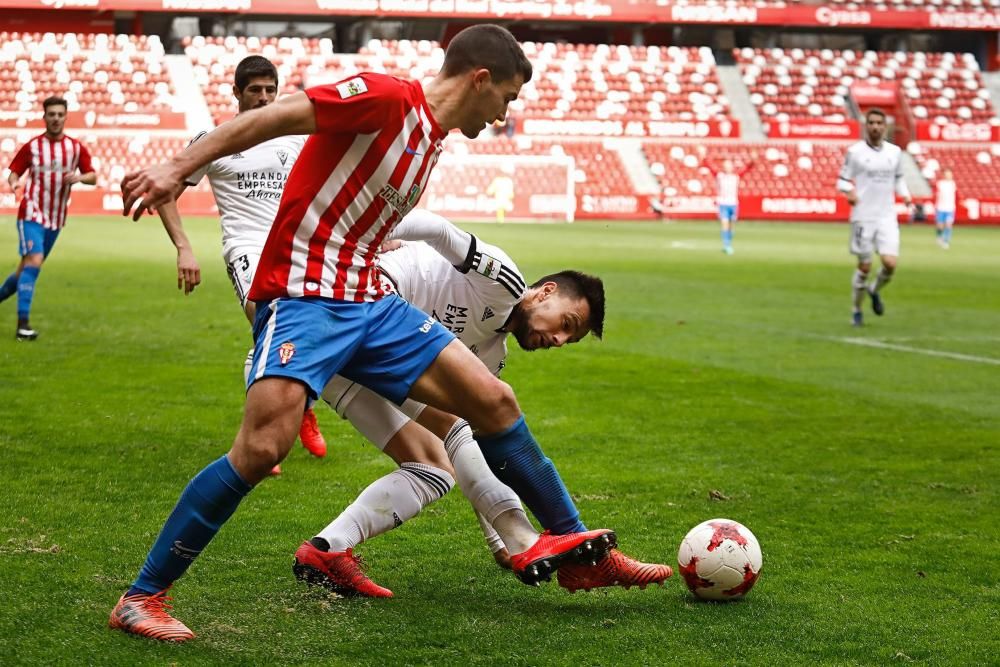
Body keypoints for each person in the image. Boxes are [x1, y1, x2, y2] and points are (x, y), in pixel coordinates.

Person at [111, 24, 616, 643]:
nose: (506, 113)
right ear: (480, 79)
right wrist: (177, 167)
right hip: (305, 294)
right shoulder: (387, 98)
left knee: (493, 399)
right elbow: (280, 117)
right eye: (507, 98)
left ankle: (573, 543)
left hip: (370, 300)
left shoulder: (429, 139)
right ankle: (141, 598)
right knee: (262, 450)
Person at [293, 209, 672, 597]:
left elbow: (481, 448)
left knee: (434, 467)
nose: (559, 340)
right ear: (546, 292)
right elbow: (438, 230)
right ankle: (543, 544)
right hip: (363, 302)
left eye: (567, 340)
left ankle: (328, 548)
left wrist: (496, 543)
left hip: (347, 362)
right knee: (461, 422)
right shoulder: (504, 282)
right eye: (566, 324)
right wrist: (372, 238)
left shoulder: (491, 356)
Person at [155, 56, 326, 473]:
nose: (264, 97)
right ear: (236, 93)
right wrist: (184, 248)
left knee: (310, 329)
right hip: (246, 248)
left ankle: (298, 405)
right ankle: (262, 440)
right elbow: (164, 191)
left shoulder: (295, 135)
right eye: (255, 90)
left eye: (270, 90)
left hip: (294, 247)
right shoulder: (213, 139)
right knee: (269, 324)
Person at [0, 96, 95, 340]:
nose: (55, 118)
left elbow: (92, 176)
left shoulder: (75, 148)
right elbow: (13, 172)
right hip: (31, 213)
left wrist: (80, 178)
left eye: (59, 114)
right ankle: (23, 325)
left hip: (55, 219)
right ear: (44, 117)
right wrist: (14, 183)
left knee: (25, 271)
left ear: (65, 117)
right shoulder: (32, 146)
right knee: (35, 260)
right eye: (51, 114)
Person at [836, 108, 912, 327]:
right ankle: (856, 310)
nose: (876, 127)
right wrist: (848, 192)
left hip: (887, 216)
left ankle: (873, 290)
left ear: (885, 126)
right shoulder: (855, 152)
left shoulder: (895, 152)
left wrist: (905, 195)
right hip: (863, 217)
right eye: (872, 123)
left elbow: (898, 178)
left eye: (880, 123)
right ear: (866, 126)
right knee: (865, 267)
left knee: (890, 263)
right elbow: (842, 180)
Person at [699, 146, 754, 255]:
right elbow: (708, 166)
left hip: (733, 204)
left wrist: (753, 158)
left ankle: (729, 242)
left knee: (731, 225)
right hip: (723, 204)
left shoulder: (736, 176)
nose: (728, 167)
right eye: (726, 166)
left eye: (729, 166)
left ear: (732, 167)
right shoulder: (719, 176)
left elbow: (749, 167)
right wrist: (703, 155)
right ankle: (726, 245)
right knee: (724, 224)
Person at [934, 168, 956, 249]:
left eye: (949, 174)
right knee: (940, 225)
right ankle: (939, 237)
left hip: (950, 208)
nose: (948, 176)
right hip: (940, 207)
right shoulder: (940, 184)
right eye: (947, 174)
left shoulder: (953, 184)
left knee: (948, 224)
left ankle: (946, 241)